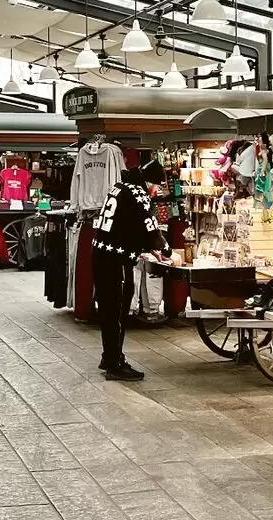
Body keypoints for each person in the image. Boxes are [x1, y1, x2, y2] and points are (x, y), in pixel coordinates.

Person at [92, 159, 170, 381]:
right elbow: (149, 227)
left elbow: (126, 224)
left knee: (108, 310)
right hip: (116, 260)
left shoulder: (119, 187)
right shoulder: (138, 193)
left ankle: (109, 356)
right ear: (148, 182)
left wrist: (146, 248)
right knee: (117, 311)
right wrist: (165, 249)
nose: (156, 192)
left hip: (101, 254)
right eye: (157, 186)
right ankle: (115, 364)